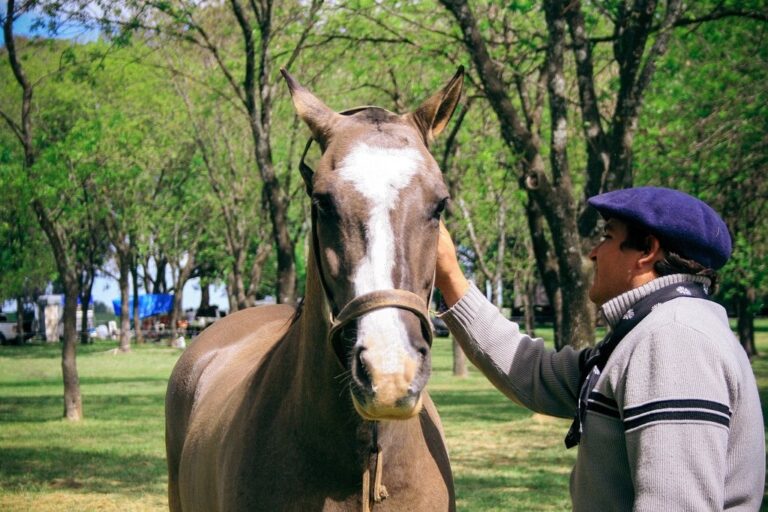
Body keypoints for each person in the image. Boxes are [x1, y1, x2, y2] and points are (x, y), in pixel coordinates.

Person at [434, 186, 765, 511]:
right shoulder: (653, 329)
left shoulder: (672, 338)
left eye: (607, 237)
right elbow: (534, 373)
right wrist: (450, 276)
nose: (593, 252)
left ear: (648, 250)